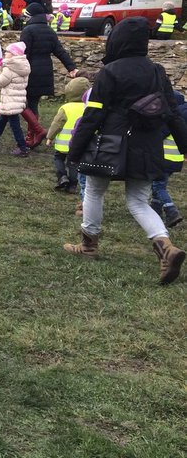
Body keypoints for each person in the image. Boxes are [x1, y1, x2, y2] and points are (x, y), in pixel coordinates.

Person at [65, 16, 187, 285]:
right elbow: (173, 114)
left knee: (95, 191)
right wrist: (184, 145)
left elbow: (92, 116)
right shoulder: (157, 72)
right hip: (148, 144)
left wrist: (75, 150)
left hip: (112, 144)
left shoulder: (110, 72)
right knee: (138, 201)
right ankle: (165, 247)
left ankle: (88, 245)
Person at [20, 2, 77, 147]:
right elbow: (60, 51)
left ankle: (34, 133)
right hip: (45, 70)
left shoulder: (28, 30)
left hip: (30, 71)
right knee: (33, 102)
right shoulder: (50, 31)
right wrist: (71, 67)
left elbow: (23, 53)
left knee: (20, 103)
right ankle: (31, 137)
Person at [44, 75, 91, 192]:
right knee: (73, 163)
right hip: (78, 143)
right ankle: (73, 185)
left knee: (58, 158)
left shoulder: (66, 107)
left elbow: (57, 124)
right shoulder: (88, 108)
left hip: (62, 144)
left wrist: (50, 137)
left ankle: (62, 176)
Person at [151, 90, 187, 227]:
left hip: (164, 158)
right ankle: (155, 209)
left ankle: (171, 211)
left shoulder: (170, 120)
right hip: (176, 159)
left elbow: (159, 135)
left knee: (158, 186)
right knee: (160, 184)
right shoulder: (182, 119)